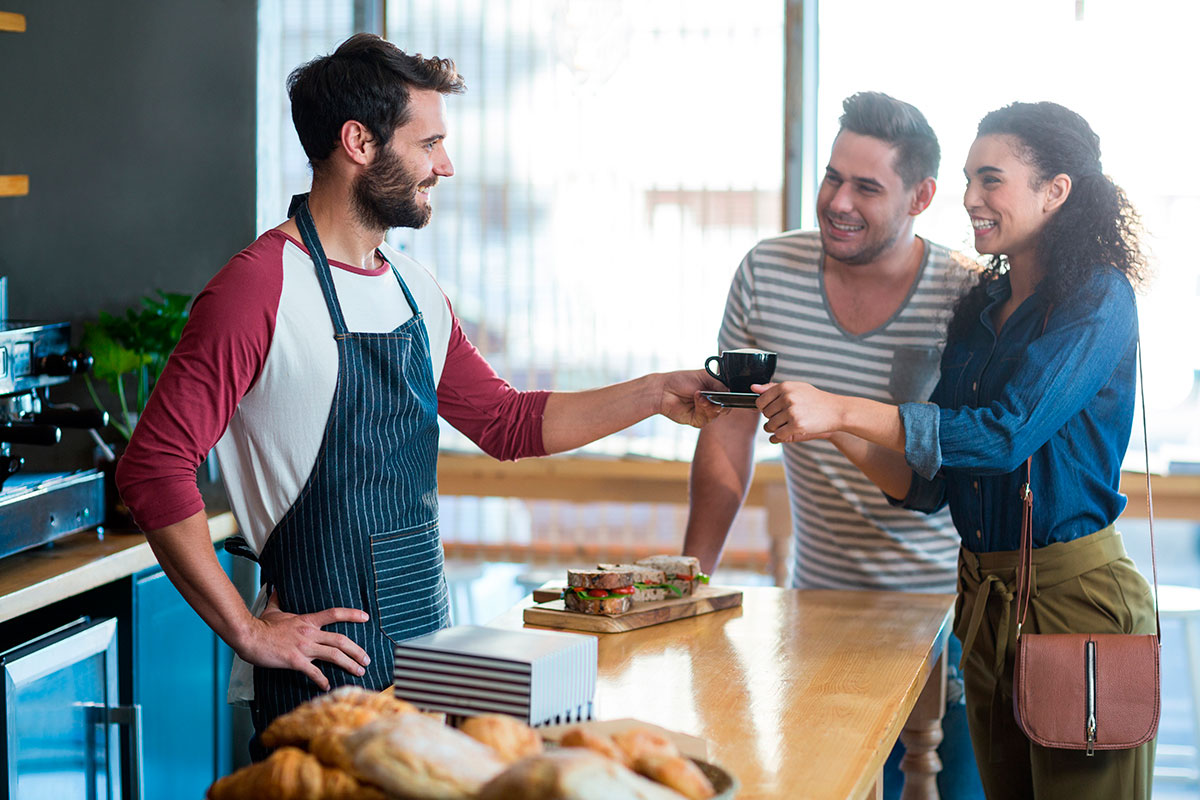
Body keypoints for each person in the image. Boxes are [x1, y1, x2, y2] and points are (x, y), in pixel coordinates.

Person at [115, 33, 723, 755]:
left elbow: (505, 423)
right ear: (359, 143)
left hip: (431, 670)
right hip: (324, 684)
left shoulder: (413, 289)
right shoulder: (259, 287)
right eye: (428, 142)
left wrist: (656, 392)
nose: (446, 165)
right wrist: (246, 632)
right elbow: (151, 467)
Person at [754, 101, 1154, 798]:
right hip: (982, 600)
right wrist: (828, 425)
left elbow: (1004, 434)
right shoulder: (982, 305)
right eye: (969, 178)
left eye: (991, 179)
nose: (970, 197)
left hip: (1075, 600)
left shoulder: (1098, 297)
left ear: (1054, 191)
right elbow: (931, 485)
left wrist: (848, 406)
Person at [682, 91, 980, 798]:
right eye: (831, 177)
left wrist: (840, 416)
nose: (838, 201)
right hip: (818, 615)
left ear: (921, 196)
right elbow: (730, 429)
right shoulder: (766, 273)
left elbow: (953, 467)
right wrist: (690, 577)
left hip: (947, 618)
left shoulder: (964, 293)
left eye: (867, 187)